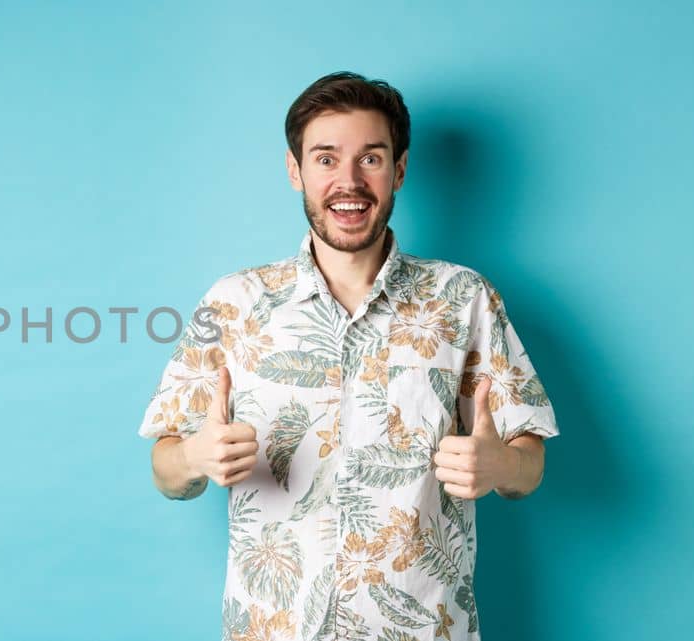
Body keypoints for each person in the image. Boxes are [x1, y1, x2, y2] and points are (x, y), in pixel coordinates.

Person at [139, 71, 558, 641]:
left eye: (371, 159)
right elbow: (167, 471)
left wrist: (502, 465)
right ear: (296, 171)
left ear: (400, 170)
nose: (349, 182)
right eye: (326, 159)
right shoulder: (233, 303)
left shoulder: (465, 298)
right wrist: (192, 458)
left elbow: (527, 462)